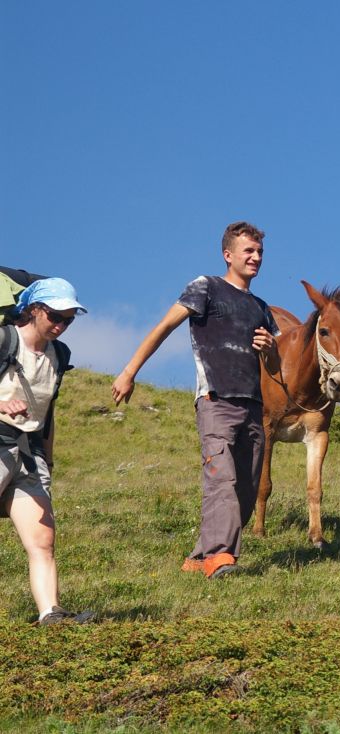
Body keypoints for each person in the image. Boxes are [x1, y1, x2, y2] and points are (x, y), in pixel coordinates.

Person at [112, 222, 280, 579]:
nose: (256, 257)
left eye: (260, 252)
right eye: (248, 251)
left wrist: (271, 350)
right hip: (215, 400)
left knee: (248, 489)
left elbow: (276, 367)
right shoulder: (207, 287)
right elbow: (164, 327)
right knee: (222, 481)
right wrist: (129, 372)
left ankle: (200, 556)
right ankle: (221, 558)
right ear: (228, 255)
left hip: (252, 405)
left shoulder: (262, 308)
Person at [1, 278, 95, 625]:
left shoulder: (59, 355)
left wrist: (48, 460)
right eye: (55, 315)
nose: (61, 325)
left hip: (28, 455)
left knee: (42, 539)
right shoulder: (4, 340)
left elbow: (47, 413)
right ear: (35, 309)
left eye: (69, 319)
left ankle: (50, 614)